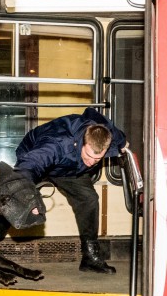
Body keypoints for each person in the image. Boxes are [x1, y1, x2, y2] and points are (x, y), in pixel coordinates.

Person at [12, 108, 128, 274]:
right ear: (83, 141)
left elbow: (110, 129)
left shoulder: (105, 135)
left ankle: (90, 257)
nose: (91, 163)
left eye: (97, 159)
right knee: (15, 202)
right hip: (37, 160)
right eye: (88, 156)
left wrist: (123, 143)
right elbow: (29, 166)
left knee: (89, 199)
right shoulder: (55, 143)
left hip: (67, 167)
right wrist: (25, 196)